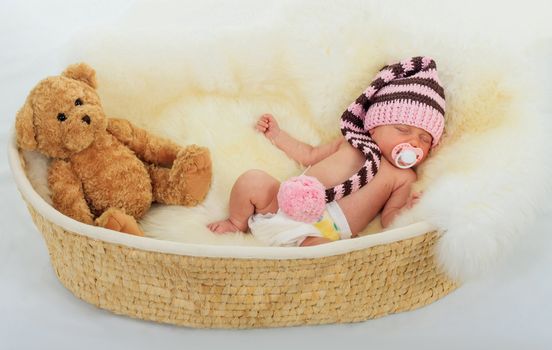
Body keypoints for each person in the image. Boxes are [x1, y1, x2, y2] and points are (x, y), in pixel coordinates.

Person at [207, 56, 445, 247]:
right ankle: (236, 223)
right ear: (374, 125)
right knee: (253, 181)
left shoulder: (403, 177)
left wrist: (409, 210)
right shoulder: (350, 142)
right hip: (283, 204)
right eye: (403, 129)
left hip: (320, 232)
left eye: (424, 139)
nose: (414, 142)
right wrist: (278, 135)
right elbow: (308, 155)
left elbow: (389, 218)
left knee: (327, 256)